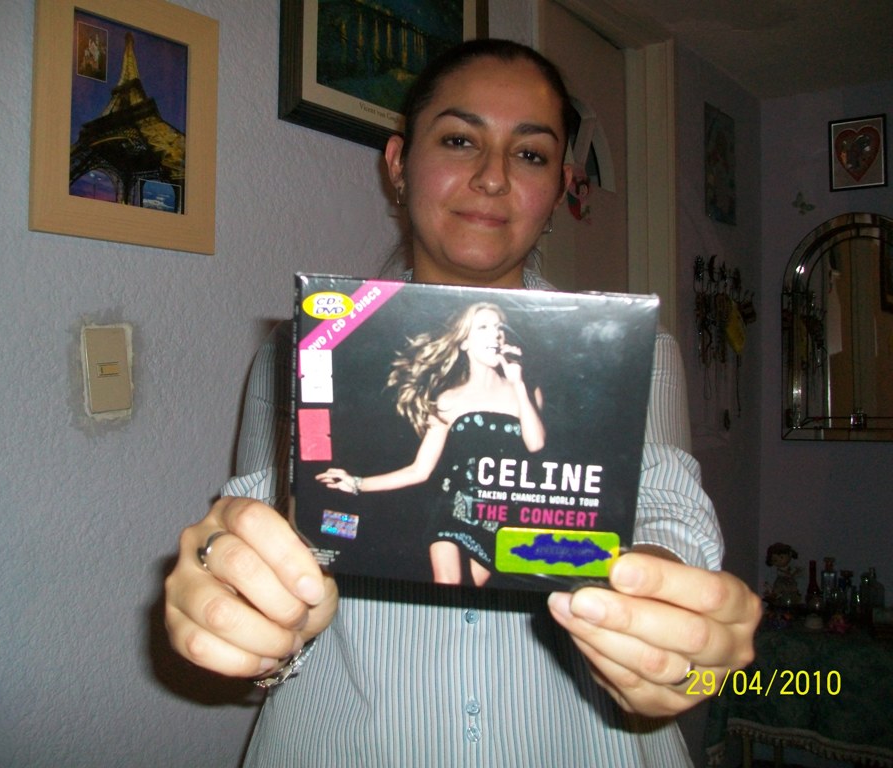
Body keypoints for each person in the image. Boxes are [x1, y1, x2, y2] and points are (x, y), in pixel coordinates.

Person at [164, 38, 760, 766]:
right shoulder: (298, 352)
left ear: (560, 186)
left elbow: (665, 508)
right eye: (458, 140)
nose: (492, 177)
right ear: (397, 163)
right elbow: (264, 550)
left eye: (530, 154)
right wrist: (238, 601)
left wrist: (665, 613)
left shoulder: (638, 354)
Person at [316, 301, 545, 586]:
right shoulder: (448, 400)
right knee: (448, 582)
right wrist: (357, 483)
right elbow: (419, 470)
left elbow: (536, 445)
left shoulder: (526, 391)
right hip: (453, 510)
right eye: (483, 327)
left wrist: (518, 383)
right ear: (464, 343)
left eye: (498, 327)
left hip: (499, 517)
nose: (495, 334)